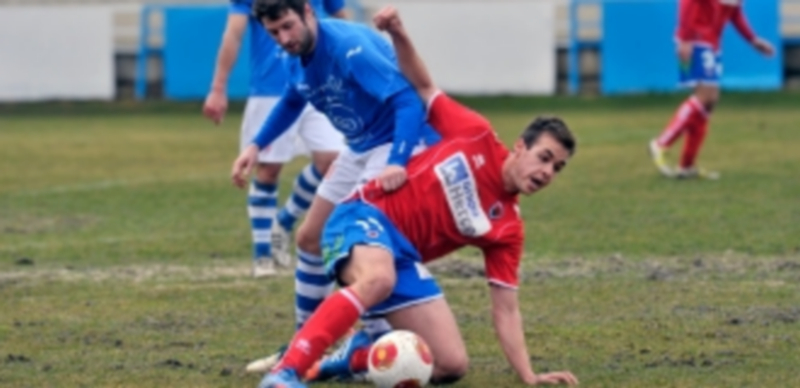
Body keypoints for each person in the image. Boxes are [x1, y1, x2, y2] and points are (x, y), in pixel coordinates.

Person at [257, 6, 579, 387]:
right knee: (377, 278)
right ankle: (286, 371)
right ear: (520, 146)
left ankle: (353, 357)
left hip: (402, 258)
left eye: (557, 168)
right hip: (362, 215)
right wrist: (398, 32)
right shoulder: (475, 134)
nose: (547, 172)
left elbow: (506, 310)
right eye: (544, 157)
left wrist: (529, 375)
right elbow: (423, 88)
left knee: (450, 365)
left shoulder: (507, 229)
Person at [232, 0, 439, 356]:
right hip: (360, 147)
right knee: (310, 238)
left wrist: (397, 161)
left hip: (395, 144)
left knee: (360, 249)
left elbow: (408, 100)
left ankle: (376, 344)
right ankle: (306, 347)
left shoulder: (348, 47)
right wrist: (255, 145)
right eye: (274, 32)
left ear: (308, 11)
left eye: (288, 26)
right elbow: (292, 100)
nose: (284, 38)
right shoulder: (294, 54)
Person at [203, 0, 348, 278]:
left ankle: (284, 221)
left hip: (317, 81)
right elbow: (234, 33)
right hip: (270, 88)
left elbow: (341, 19)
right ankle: (263, 254)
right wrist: (218, 87)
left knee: (334, 161)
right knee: (268, 170)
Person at [648, 0, 774, 179]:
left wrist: (753, 40)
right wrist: (685, 38)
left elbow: (734, 12)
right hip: (696, 39)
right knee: (705, 97)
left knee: (708, 103)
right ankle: (661, 144)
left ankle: (687, 166)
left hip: (712, 42)